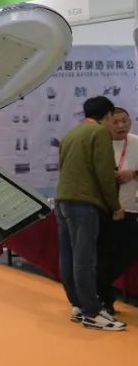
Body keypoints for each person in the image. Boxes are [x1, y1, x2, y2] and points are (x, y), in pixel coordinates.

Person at [56, 96, 126, 331]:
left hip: (63, 200)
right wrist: (115, 206)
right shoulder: (100, 133)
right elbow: (104, 174)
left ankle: (78, 305)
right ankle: (92, 312)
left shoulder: (70, 134)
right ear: (108, 115)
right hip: (85, 203)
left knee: (68, 256)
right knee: (85, 259)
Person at [100, 108, 138, 313]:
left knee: (128, 253)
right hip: (103, 211)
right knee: (103, 256)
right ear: (106, 123)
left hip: (129, 210)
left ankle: (101, 291)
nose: (122, 126)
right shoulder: (99, 143)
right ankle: (103, 298)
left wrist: (134, 174)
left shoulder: (136, 142)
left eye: (125, 121)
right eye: (116, 122)